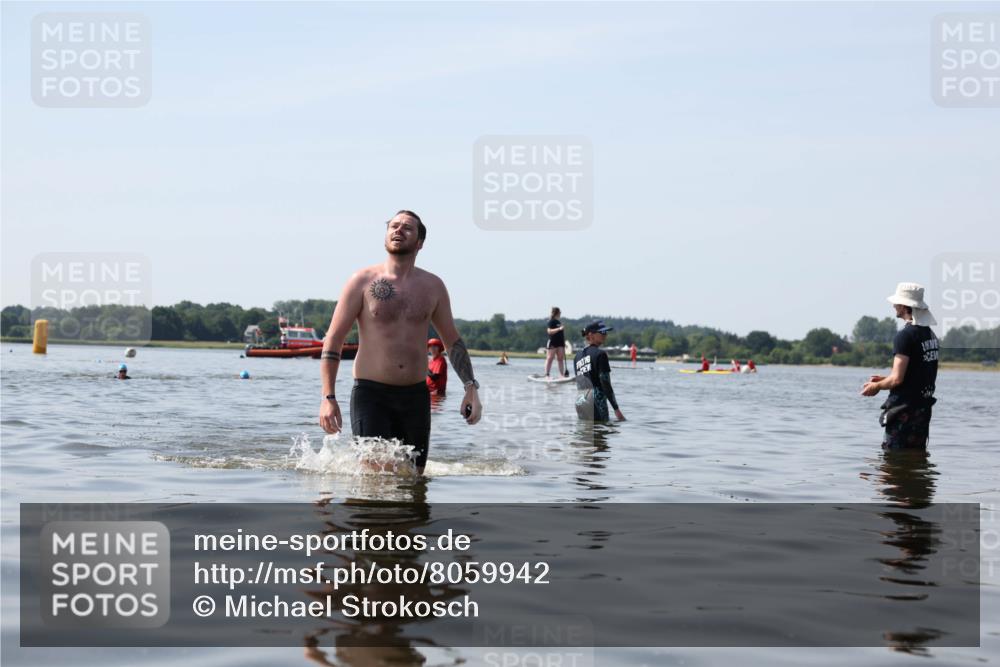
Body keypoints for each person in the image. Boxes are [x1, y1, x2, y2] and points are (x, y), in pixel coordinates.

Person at [318, 210, 482, 473]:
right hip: (371, 395)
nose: (398, 230)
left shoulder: (433, 286)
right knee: (377, 475)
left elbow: (452, 341)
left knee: (413, 478)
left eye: (407, 228)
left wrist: (470, 387)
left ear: (420, 242)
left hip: (415, 397)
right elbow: (334, 340)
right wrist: (328, 396)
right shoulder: (362, 281)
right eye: (393, 226)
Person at [861, 282, 939, 450]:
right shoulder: (930, 335)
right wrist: (884, 379)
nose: (894, 306)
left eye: (896, 303)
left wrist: (877, 386)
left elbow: (897, 379)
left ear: (904, 306)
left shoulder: (904, 336)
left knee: (892, 463)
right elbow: (917, 373)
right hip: (922, 411)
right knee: (916, 460)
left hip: (904, 412)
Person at [573, 320, 625, 422]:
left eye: (606, 332)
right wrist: (616, 409)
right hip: (596, 401)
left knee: (585, 435)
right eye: (602, 332)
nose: (605, 335)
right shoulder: (601, 354)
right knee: (600, 434)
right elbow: (605, 383)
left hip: (580, 401)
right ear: (591, 335)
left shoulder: (577, 356)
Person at [544, 307, 568, 378]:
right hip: (553, 342)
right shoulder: (551, 321)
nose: (560, 313)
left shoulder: (559, 322)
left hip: (560, 343)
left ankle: (561, 375)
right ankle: (547, 374)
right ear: (557, 313)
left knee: (560, 359)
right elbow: (549, 331)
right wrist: (559, 329)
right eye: (560, 312)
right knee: (550, 358)